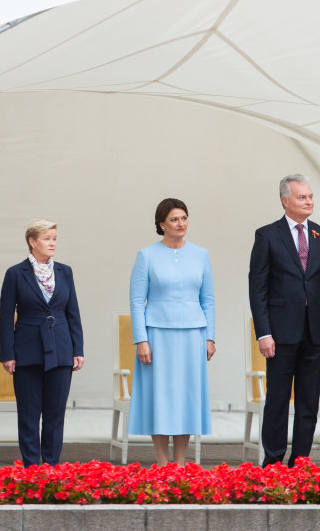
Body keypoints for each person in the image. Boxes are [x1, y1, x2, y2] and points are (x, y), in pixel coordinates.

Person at [249, 174, 320, 467]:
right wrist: (263, 332)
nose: (309, 201)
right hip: (280, 333)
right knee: (277, 400)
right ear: (285, 201)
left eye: (311, 197)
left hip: (315, 333)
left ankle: (300, 461)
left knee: (308, 403)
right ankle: (273, 462)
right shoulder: (267, 235)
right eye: (302, 197)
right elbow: (258, 287)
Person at [128, 198, 215, 466]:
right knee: (161, 396)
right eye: (175, 219)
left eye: (184, 218)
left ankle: (181, 463)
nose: (181, 224)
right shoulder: (146, 255)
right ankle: (162, 462)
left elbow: (208, 299)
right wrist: (141, 339)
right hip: (157, 335)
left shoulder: (201, 254)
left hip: (193, 335)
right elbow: (136, 301)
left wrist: (210, 336)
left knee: (186, 396)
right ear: (161, 224)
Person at [0, 218, 84, 467]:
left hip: (61, 347)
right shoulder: (15, 273)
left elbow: (73, 312)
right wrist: (8, 353)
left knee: (55, 414)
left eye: (54, 238)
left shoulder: (64, 271)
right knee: (28, 414)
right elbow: (5, 318)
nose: (52, 243)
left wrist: (78, 349)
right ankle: (31, 468)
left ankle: (50, 467)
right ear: (32, 241)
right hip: (27, 349)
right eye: (47, 238)